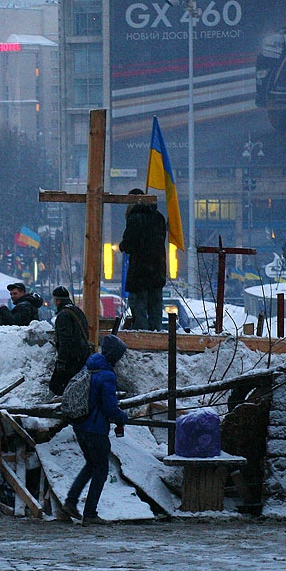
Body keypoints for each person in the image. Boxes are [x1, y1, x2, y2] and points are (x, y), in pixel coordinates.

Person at [62, 335, 130, 526]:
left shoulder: (89, 367)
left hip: (80, 425)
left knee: (91, 465)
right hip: (96, 428)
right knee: (100, 469)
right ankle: (90, 513)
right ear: (114, 355)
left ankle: (71, 501)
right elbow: (110, 408)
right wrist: (122, 418)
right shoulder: (107, 375)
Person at [119, 189, 167, 330]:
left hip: (140, 272)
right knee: (155, 309)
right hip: (157, 271)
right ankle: (157, 339)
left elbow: (129, 244)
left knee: (139, 309)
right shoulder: (159, 217)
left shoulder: (135, 219)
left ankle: (142, 340)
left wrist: (122, 246)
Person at [48, 286, 92, 396]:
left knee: (57, 387)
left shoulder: (63, 315)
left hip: (71, 358)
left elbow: (65, 340)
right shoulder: (77, 311)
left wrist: (61, 361)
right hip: (82, 355)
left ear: (57, 300)